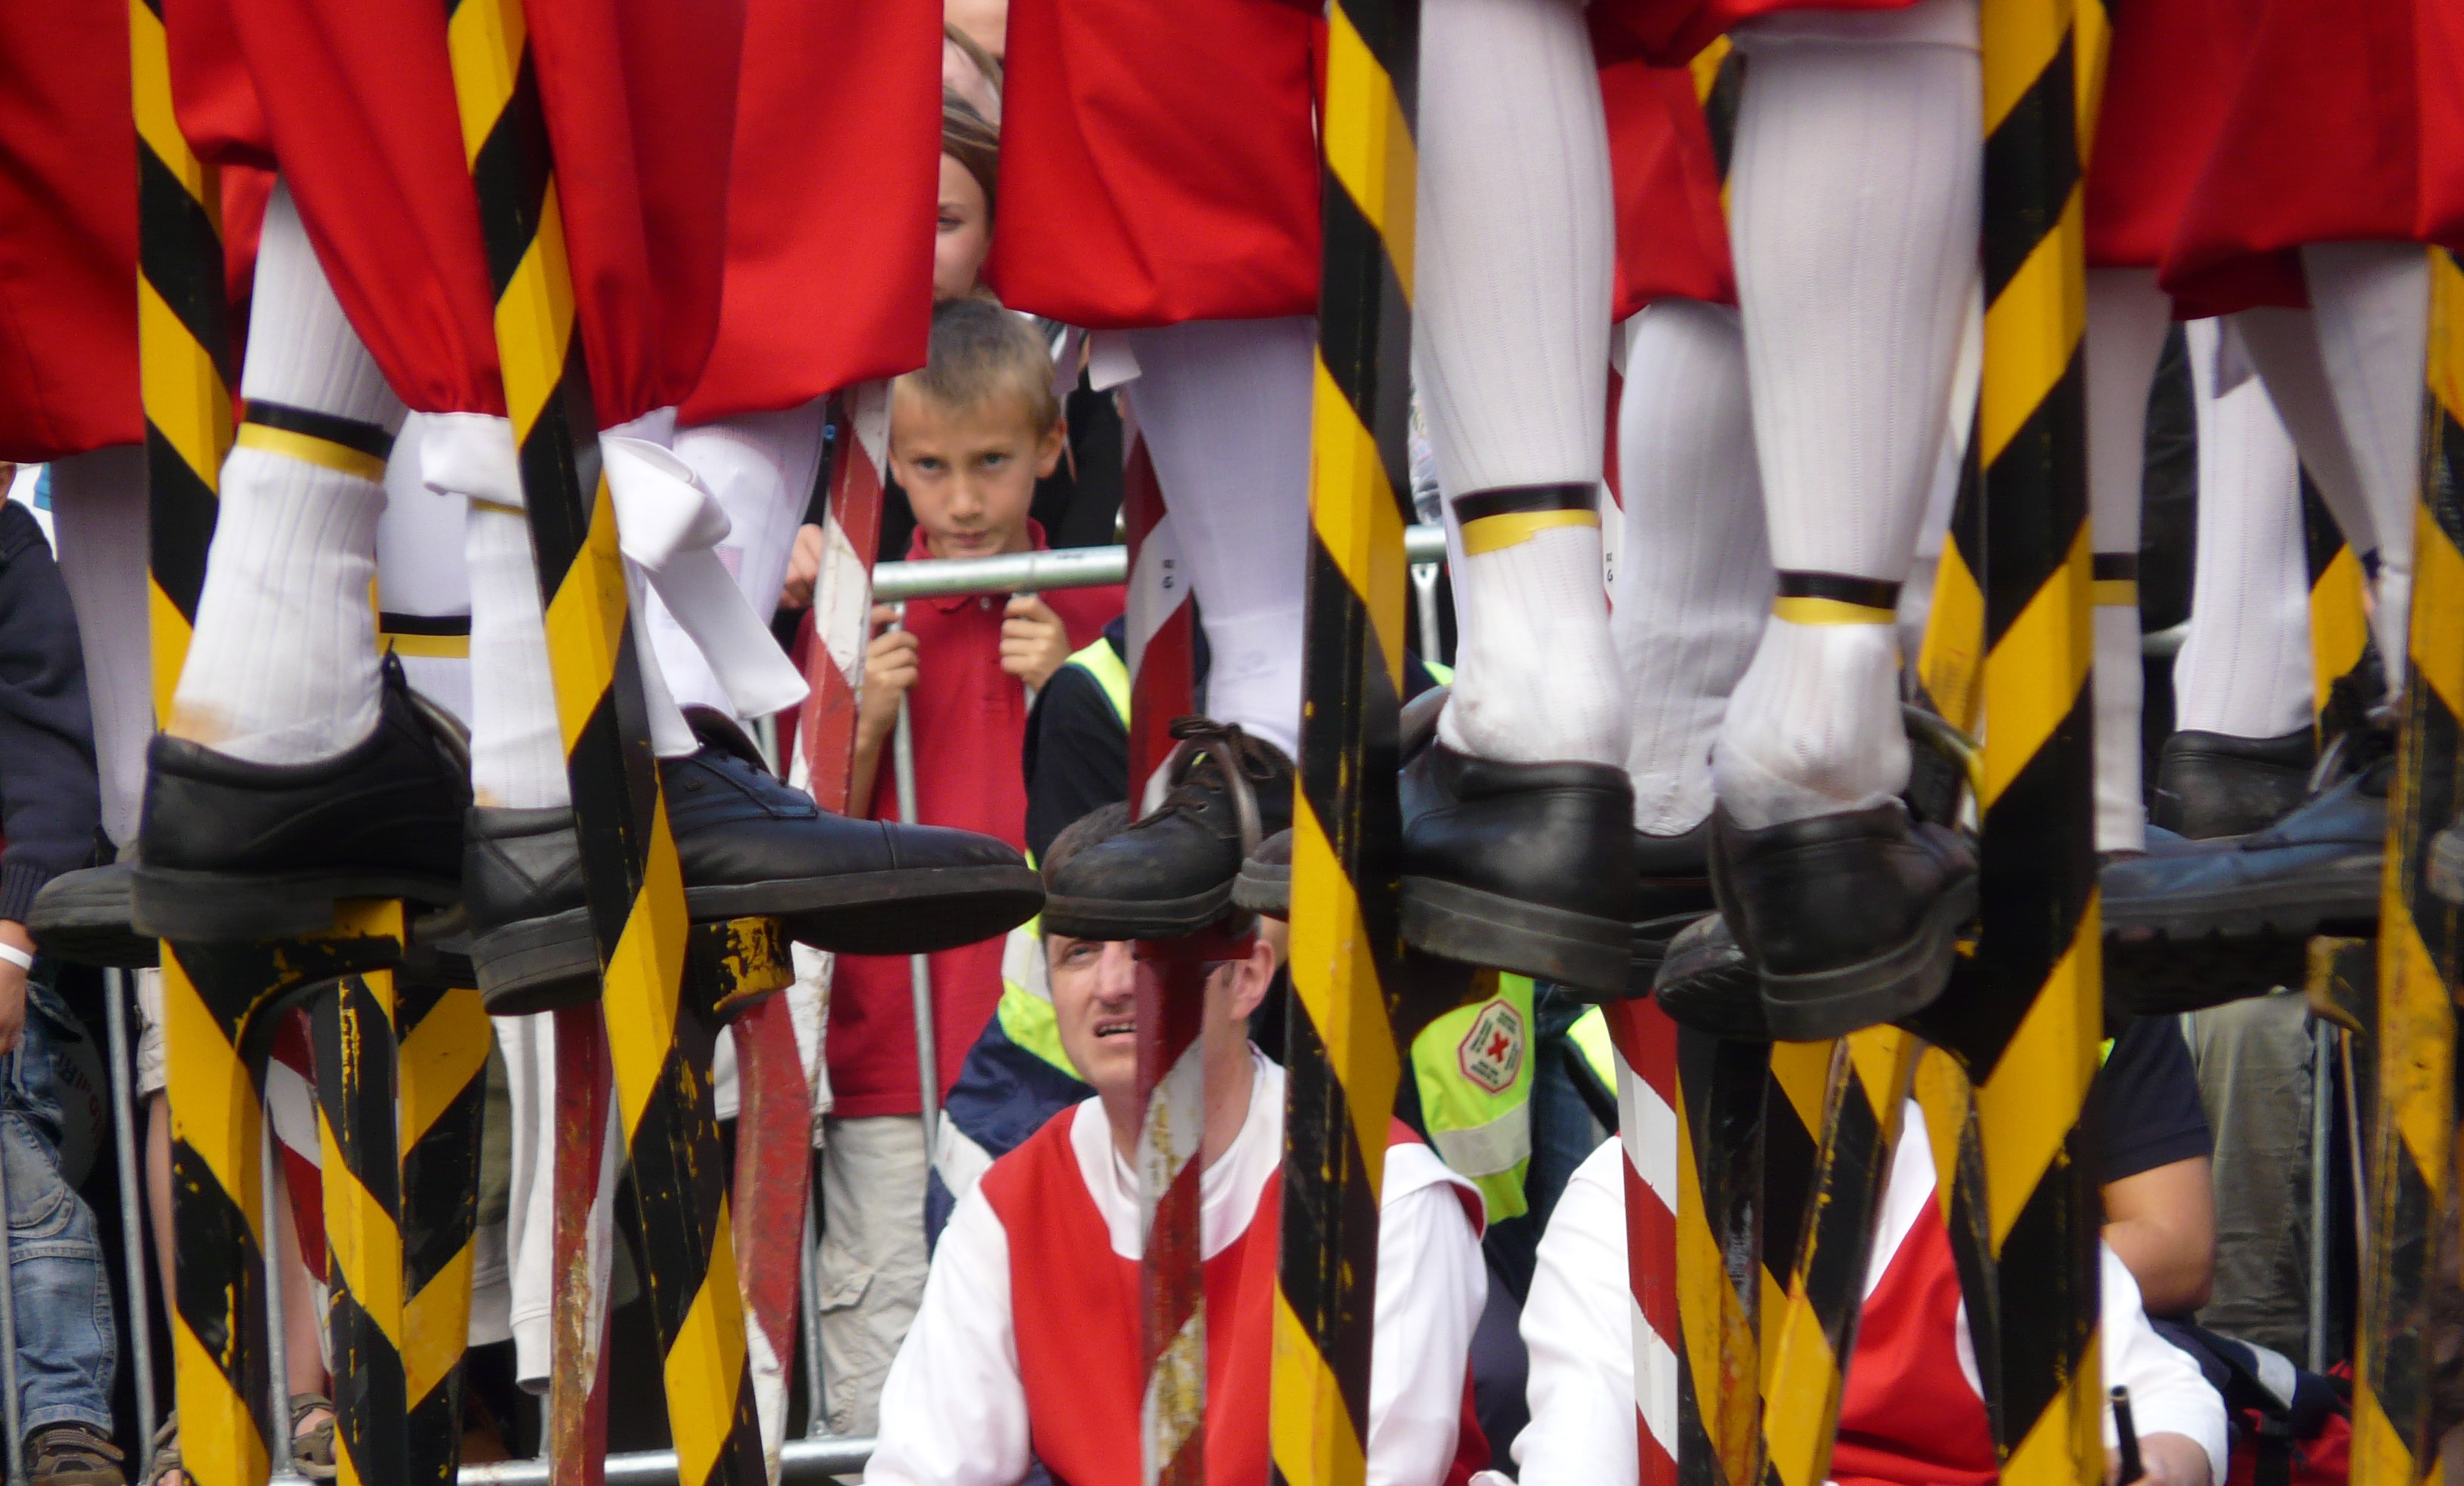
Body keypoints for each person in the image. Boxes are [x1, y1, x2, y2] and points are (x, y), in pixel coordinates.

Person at [866, 809, 1489, 1486]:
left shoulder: (1379, 1193)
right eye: (1078, 952)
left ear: (1247, 978)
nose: (1110, 985)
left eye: (1147, 949)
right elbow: (923, 1469)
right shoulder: (1011, 1205)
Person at [819, 298, 1123, 1435]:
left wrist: (1070, 690)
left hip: (1057, 1059)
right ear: (888, 462)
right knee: (889, 1355)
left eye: (992, 463)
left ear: (1051, 451)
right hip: (893, 1058)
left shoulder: (1098, 598)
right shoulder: (858, 611)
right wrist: (861, 718)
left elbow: (1152, 818)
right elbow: (805, 835)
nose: (959, 500)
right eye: (929, 466)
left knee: (1066, 1349)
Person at [1509, 1107, 2229, 1486]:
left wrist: (2166, 1460)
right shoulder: (1629, 1198)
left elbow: (2158, 1391)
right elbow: (1579, 1461)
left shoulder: (1978, 1176)